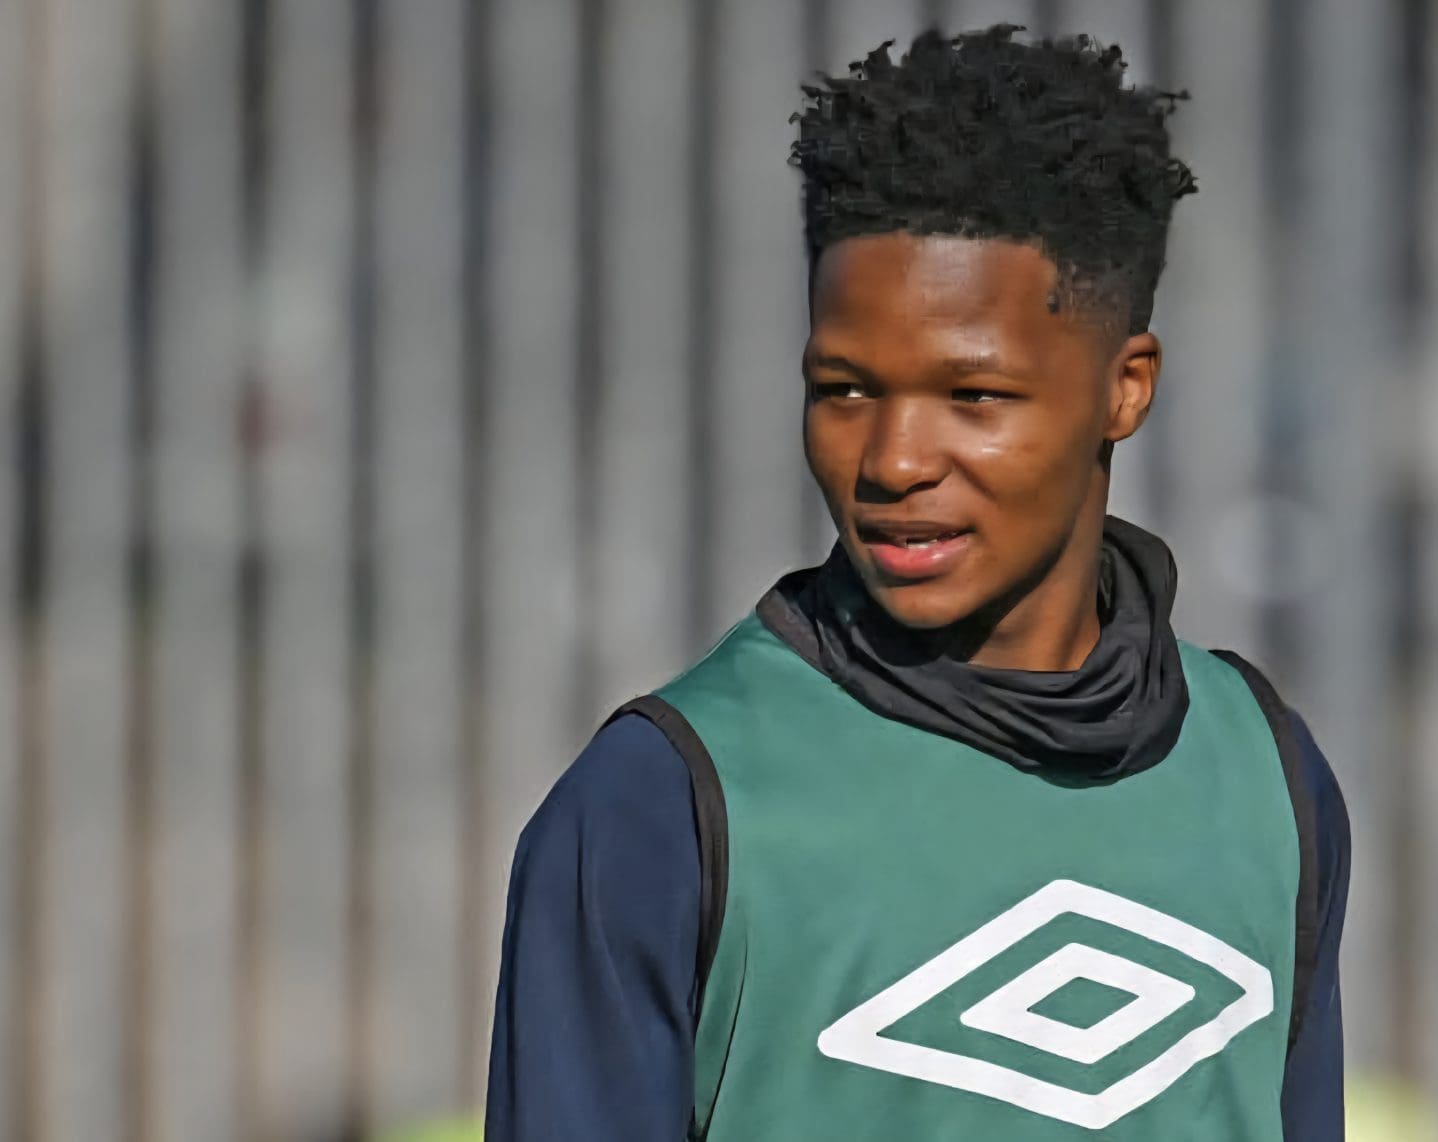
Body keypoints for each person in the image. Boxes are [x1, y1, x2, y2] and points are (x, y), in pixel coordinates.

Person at [485, 23, 1349, 1141]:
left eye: (974, 397)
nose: (893, 461)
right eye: (844, 389)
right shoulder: (664, 801)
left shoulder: (1268, 781)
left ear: (1125, 388)